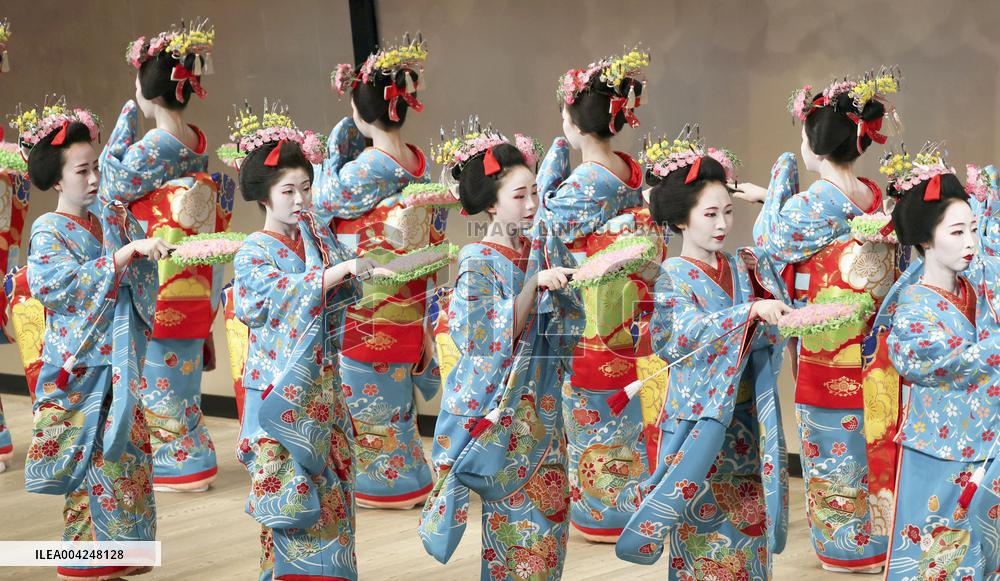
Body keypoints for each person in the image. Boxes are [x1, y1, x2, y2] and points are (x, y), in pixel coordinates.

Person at [736, 69, 903, 572]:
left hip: (830, 345)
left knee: (834, 448)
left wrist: (778, 181)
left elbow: (770, 243)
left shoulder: (811, 201)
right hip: (874, 348)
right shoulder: (873, 195)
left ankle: (847, 550)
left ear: (813, 142)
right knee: (872, 438)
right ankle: (881, 542)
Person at [615, 133, 792, 579]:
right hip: (699, 422)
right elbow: (681, 337)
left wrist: (765, 306)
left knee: (747, 532)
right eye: (710, 214)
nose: (721, 225)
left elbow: (768, 319)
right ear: (680, 220)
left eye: (728, 213)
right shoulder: (672, 276)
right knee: (702, 533)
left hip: (744, 420)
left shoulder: (738, 265)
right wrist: (748, 311)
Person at [418, 123, 583, 580]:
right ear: (491, 202)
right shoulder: (477, 258)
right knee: (518, 538)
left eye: (534, 193)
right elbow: (481, 340)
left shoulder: (540, 248)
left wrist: (569, 289)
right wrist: (532, 286)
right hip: (507, 423)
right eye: (519, 196)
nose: (531, 205)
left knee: (550, 532)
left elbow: (567, 330)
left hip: (546, 415)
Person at [18, 98, 169, 580]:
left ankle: (126, 560)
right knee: (89, 469)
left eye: (97, 168)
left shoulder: (114, 217)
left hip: (120, 368)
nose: (95, 180)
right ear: (58, 179)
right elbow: (58, 287)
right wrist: (122, 257)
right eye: (82, 171)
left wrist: (137, 253)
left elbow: (145, 272)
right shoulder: (47, 231)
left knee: (127, 466)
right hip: (81, 374)